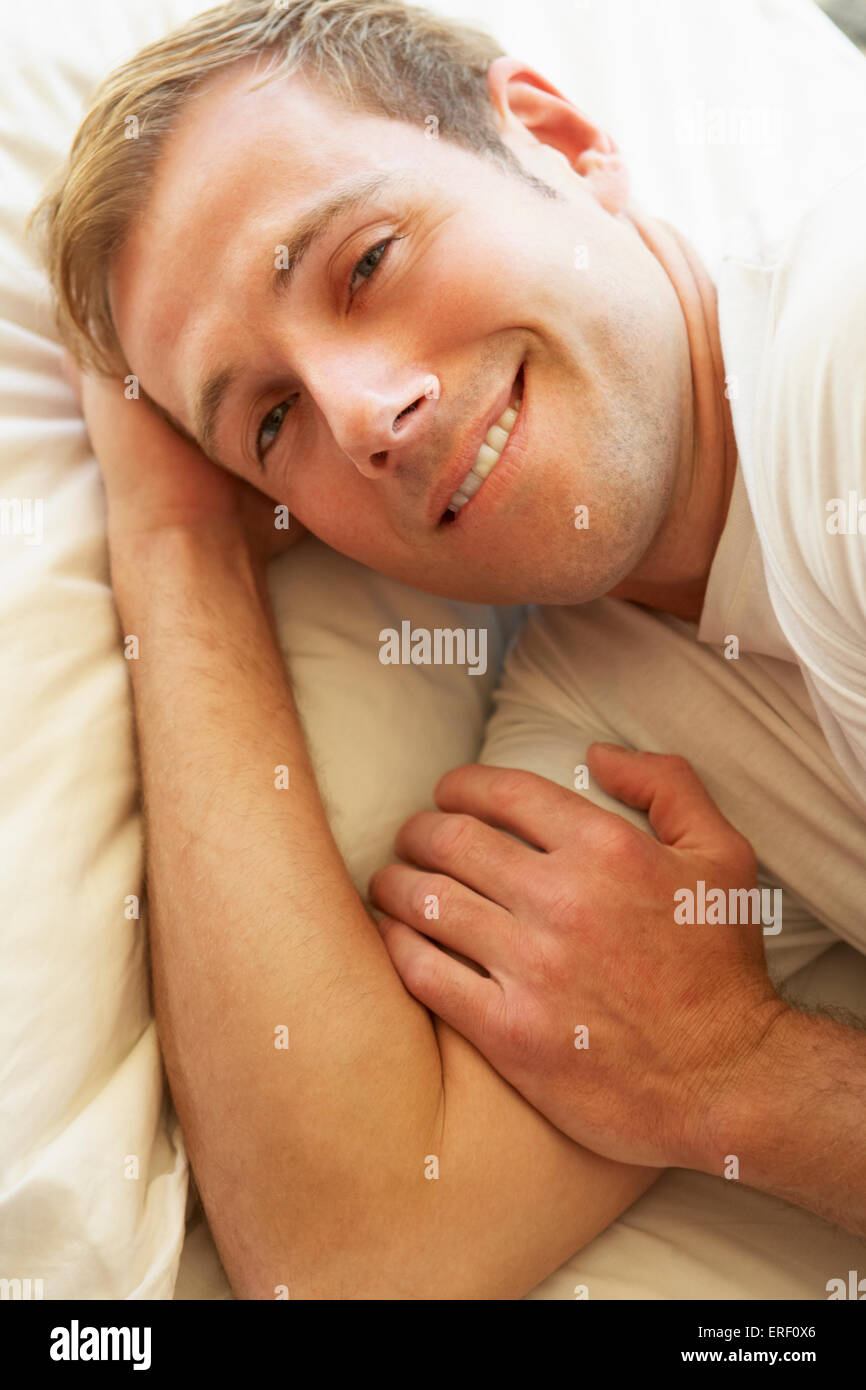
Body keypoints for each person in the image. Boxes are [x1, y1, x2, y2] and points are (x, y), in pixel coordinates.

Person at [32, 0, 866, 1298]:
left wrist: (741, 1074)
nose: (364, 415)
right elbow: (357, 1253)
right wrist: (179, 538)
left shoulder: (843, 351)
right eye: (269, 422)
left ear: (555, 139)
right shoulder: (600, 697)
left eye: (362, 265)